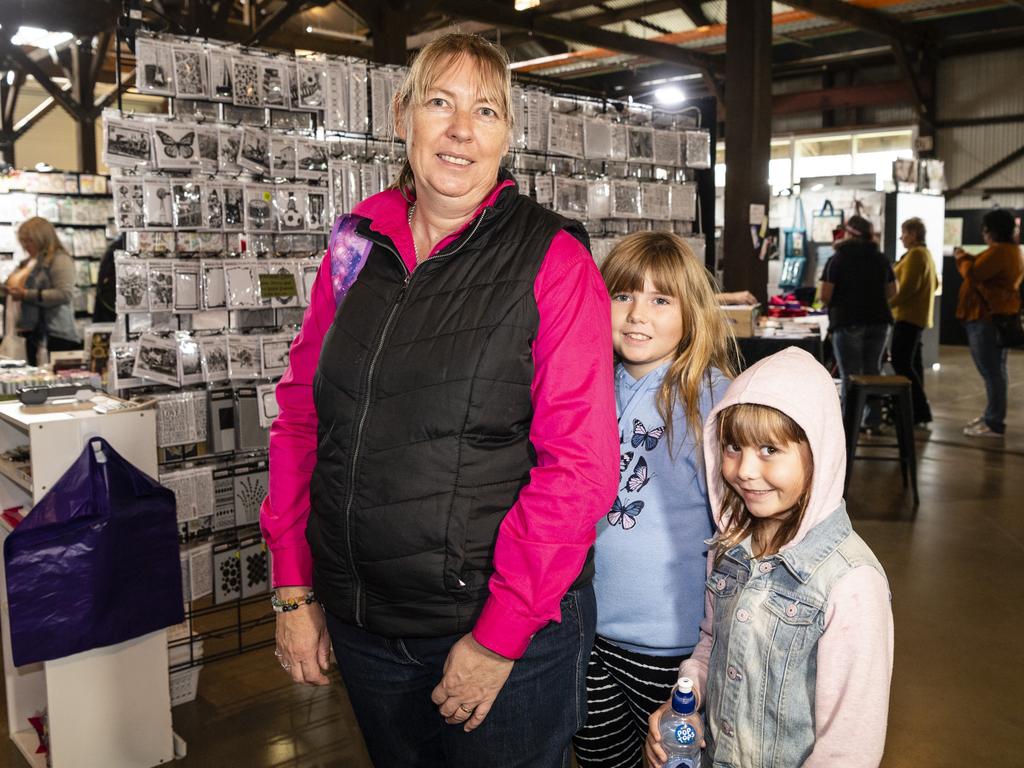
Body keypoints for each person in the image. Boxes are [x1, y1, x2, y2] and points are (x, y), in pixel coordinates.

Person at [259, 33, 619, 767]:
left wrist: (498, 638)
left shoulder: (554, 261)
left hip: (500, 640)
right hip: (366, 630)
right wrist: (293, 589)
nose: (460, 130)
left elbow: (579, 470)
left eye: (486, 111)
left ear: (507, 136)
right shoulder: (356, 245)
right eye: (439, 103)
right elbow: (302, 417)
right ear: (402, 119)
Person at [644, 347, 894, 768]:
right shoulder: (728, 548)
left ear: (819, 453)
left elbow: (849, 750)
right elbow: (711, 643)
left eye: (769, 450)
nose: (744, 470)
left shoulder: (852, 583)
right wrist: (686, 699)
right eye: (731, 447)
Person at [572, 232, 734, 768]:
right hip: (587, 635)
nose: (638, 314)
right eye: (623, 296)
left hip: (673, 650)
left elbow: (735, 536)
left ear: (691, 313)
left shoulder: (711, 401)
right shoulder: (585, 386)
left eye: (661, 300)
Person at [819, 215, 896, 429]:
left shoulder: (838, 258)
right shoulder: (880, 258)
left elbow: (825, 294)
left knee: (850, 375)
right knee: (872, 372)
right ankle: (872, 421)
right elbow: (893, 291)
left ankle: (849, 425)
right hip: (879, 322)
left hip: (847, 321)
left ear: (849, 233)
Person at [954, 208, 1023, 438]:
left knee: (992, 373)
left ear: (991, 230)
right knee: (996, 372)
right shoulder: (1006, 251)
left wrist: (962, 258)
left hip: (986, 320)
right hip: (990, 319)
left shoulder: (1001, 251)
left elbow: (973, 273)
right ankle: (991, 415)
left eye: (985, 229)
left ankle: (994, 422)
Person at [3, 217, 80, 366]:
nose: (25, 245)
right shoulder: (26, 262)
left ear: (42, 238)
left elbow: (64, 294)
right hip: (26, 333)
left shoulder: (59, 260)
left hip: (52, 333)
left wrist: (25, 294)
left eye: (29, 240)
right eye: (23, 240)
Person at [889, 217, 938, 426]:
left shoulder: (916, 255)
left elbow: (907, 287)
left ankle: (917, 409)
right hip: (916, 316)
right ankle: (916, 411)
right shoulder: (925, 254)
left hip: (907, 317)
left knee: (901, 363)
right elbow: (935, 283)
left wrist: (887, 305)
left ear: (914, 234)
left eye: (904, 233)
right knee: (913, 365)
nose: (901, 237)